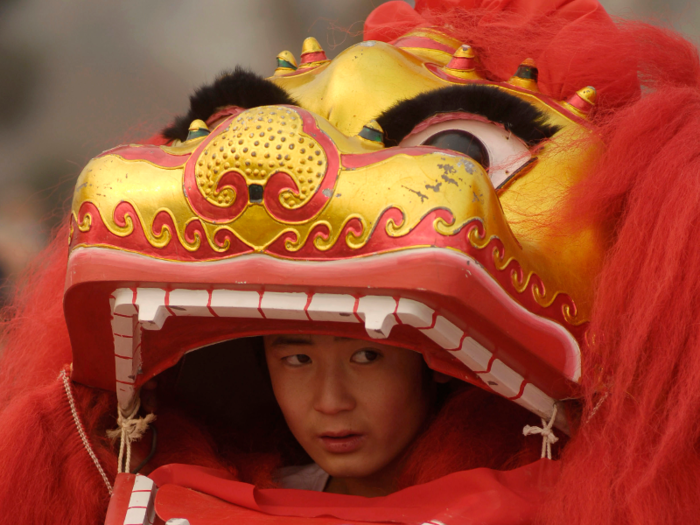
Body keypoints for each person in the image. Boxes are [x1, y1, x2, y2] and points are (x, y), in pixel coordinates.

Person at [2, 0, 700, 524]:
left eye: (366, 355)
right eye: (294, 355)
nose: (329, 401)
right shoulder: (189, 491)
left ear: (433, 360)